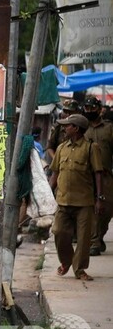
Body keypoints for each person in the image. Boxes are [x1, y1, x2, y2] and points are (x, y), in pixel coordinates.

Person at [49, 114, 104, 281]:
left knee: (83, 239)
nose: (64, 129)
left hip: (84, 201)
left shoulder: (90, 148)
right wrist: (48, 193)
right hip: (63, 200)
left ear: (76, 129)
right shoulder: (61, 148)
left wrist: (99, 198)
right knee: (59, 232)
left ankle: (79, 270)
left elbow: (98, 174)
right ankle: (66, 261)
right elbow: (55, 173)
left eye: (68, 126)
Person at [81, 97, 113, 256]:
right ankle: (93, 241)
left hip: (106, 175)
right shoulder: (82, 128)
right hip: (86, 176)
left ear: (99, 109)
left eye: (92, 108)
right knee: (90, 208)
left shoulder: (109, 128)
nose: (89, 111)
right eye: (86, 108)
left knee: (106, 209)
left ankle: (99, 237)